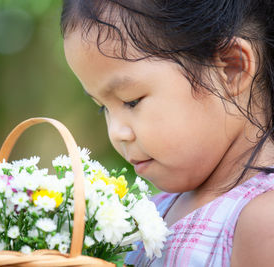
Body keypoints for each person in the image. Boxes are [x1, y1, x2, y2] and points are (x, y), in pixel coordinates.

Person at [61, 0, 274, 266]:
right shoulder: (149, 214)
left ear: (231, 68)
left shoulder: (263, 221)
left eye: (131, 101)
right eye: (102, 108)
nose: (116, 133)